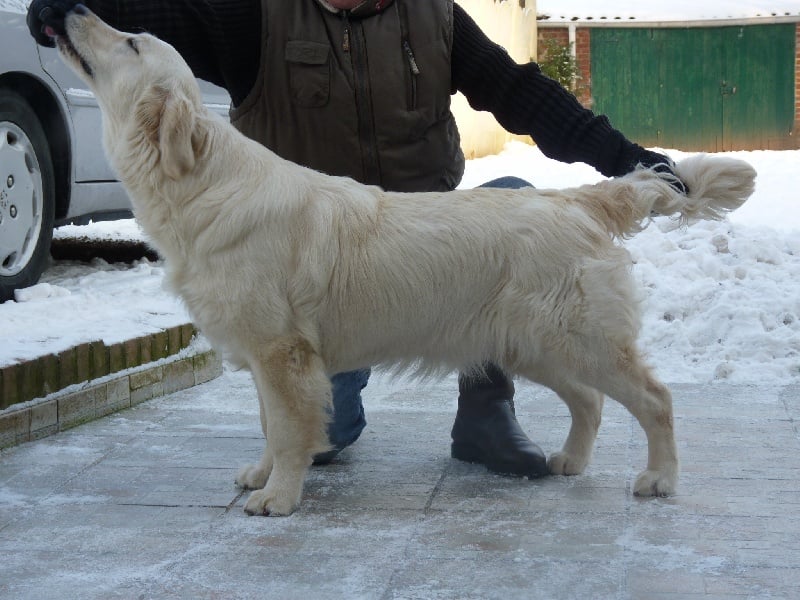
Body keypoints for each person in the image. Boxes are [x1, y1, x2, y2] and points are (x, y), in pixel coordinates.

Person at [28, 0, 685, 479]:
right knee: (319, 425)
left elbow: (523, 94)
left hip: (422, 244)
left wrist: (630, 163)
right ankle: (319, 425)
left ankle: (486, 415)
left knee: (516, 205)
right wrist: (73, 14)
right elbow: (160, 20)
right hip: (305, 249)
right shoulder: (255, 16)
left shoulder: (435, 17)